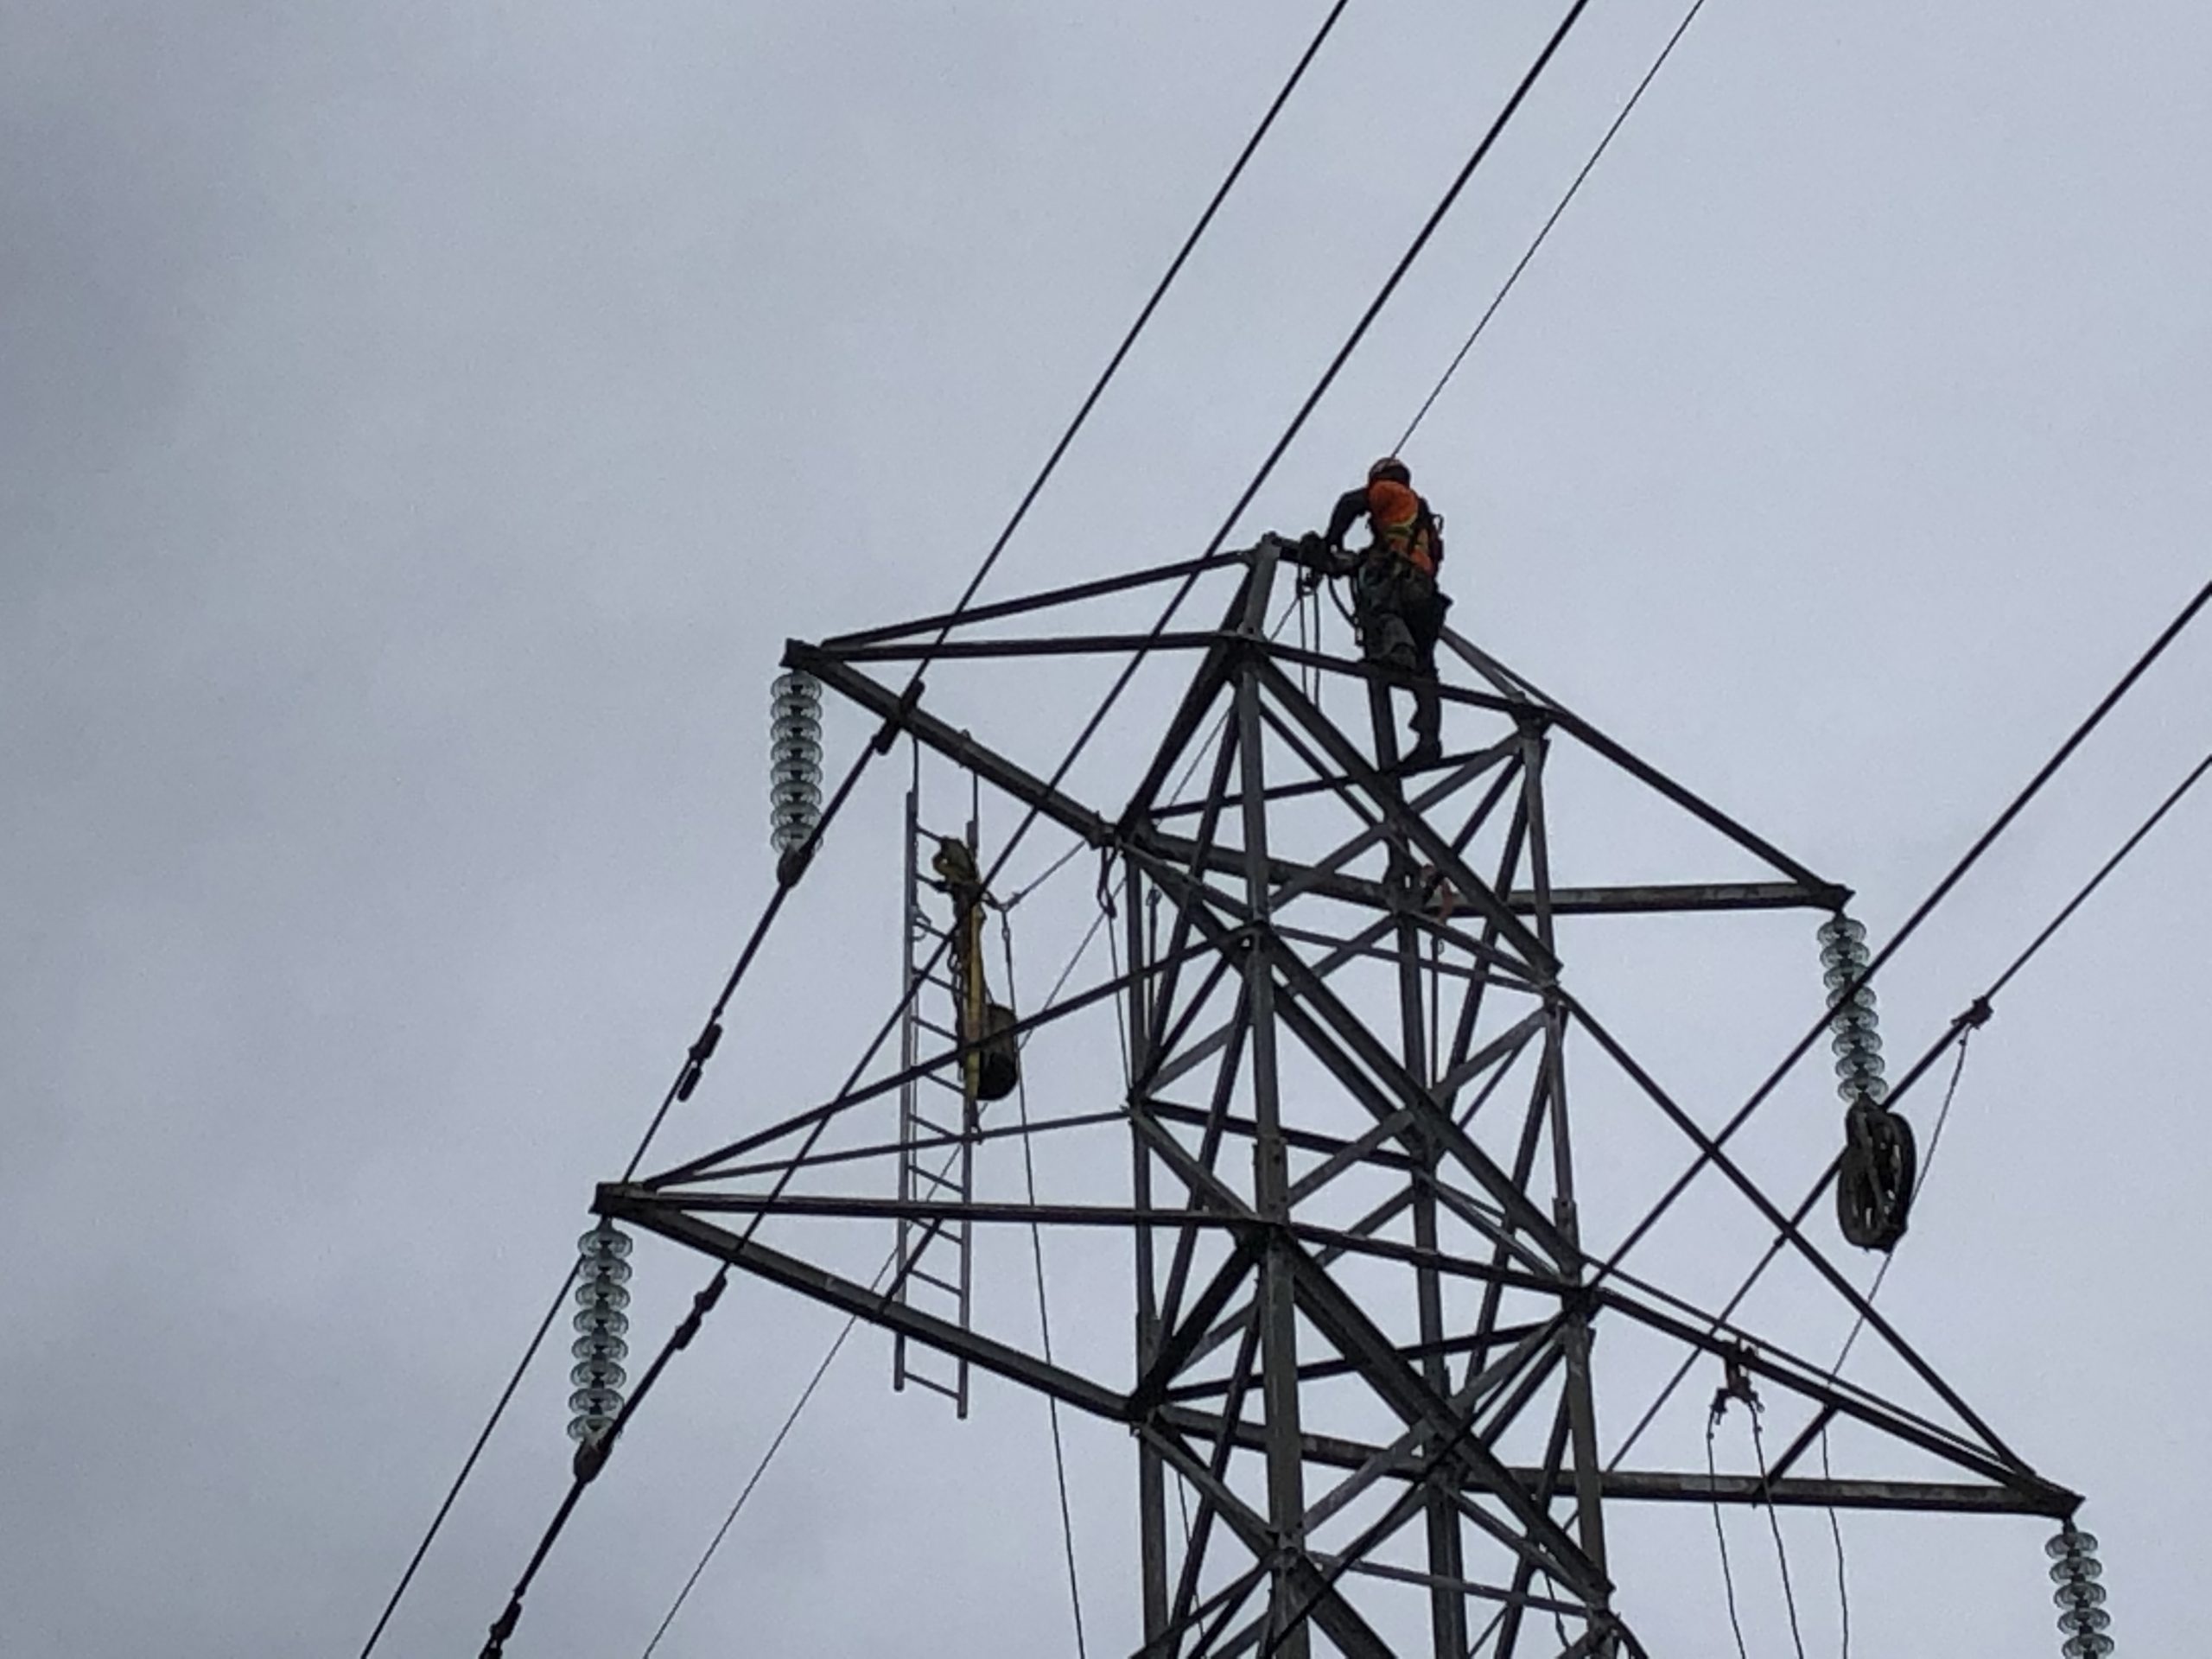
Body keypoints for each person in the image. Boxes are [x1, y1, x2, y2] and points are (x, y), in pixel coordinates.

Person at [1316, 455, 1449, 766]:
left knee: (1381, 610)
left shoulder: (1388, 491)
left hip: (1401, 584)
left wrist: (1330, 541)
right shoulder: (1423, 517)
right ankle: (1429, 739)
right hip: (1425, 593)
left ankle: (1397, 654)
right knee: (1425, 669)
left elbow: (1349, 503)